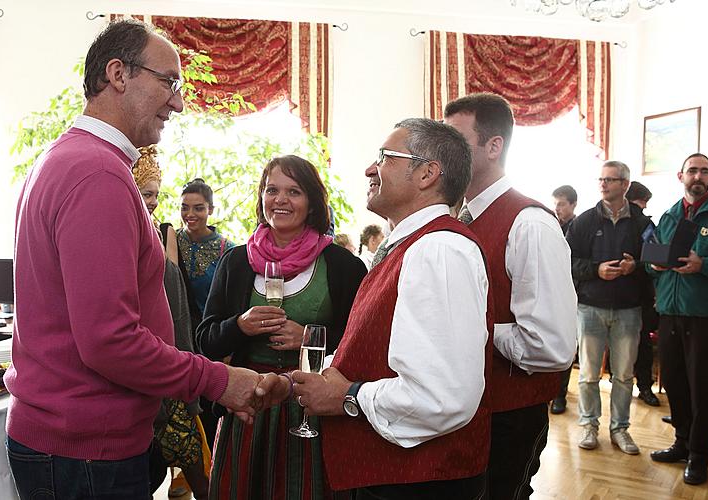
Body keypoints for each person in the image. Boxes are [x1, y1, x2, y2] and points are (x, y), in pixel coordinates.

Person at [4, 19, 279, 500]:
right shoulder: (97, 174)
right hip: (85, 448)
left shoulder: (69, 160)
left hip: (75, 440)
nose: (178, 100)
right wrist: (216, 379)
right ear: (118, 73)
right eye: (169, 81)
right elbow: (109, 340)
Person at [293, 118, 492, 500]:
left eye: (384, 157)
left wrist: (349, 396)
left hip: (420, 483)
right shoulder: (413, 246)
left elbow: (443, 396)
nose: (370, 168)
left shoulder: (440, 250)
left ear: (427, 174)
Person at [195, 154, 367, 499]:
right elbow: (205, 341)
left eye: (294, 191)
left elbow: (361, 342)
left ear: (312, 202)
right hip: (249, 405)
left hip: (311, 408)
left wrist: (309, 337)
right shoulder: (236, 261)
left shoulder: (341, 265)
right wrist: (239, 325)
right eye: (272, 190)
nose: (281, 200)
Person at [444, 93, 577, 500]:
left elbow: (552, 348)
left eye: (455, 142)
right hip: (463, 409)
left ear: (494, 145)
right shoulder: (456, 217)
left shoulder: (530, 223)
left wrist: (477, 330)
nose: (444, 155)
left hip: (509, 413)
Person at [131, 146, 211, 499]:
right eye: (145, 193)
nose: (151, 202)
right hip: (150, 373)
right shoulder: (137, 238)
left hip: (177, 362)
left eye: (155, 195)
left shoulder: (160, 236)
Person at [648, 153, 708, 485]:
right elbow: (650, 258)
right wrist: (652, 265)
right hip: (669, 312)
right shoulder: (668, 215)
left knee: (704, 389)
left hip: (706, 316)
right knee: (676, 384)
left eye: (704, 171)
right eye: (692, 170)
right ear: (680, 175)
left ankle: (700, 455)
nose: (698, 176)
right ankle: (681, 443)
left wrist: (704, 265)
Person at [566, 161, 651, 456]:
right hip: (590, 307)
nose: (603, 184)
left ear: (625, 185)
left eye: (611, 180)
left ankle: (620, 429)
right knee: (588, 374)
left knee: (624, 376)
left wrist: (634, 266)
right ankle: (589, 425)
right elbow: (568, 261)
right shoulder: (585, 221)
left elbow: (655, 263)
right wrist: (596, 269)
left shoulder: (642, 223)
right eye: (601, 179)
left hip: (629, 309)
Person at [176, 177, 233, 446]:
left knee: (209, 407)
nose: (190, 214)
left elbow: (231, 302)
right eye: (184, 207)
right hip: (176, 337)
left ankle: (210, 475)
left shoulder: (227, 250)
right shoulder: (169, 243)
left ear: (210, 209)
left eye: (198, 208)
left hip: (210, 341)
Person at [625, 181, 661, 408]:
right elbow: (655, 261)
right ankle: (645, 388)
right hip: (640, 294)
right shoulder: (647, 224)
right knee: (642, 346)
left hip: (625, 294)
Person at [550, 184, 578, 415]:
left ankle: (560, 394)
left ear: (572, 205)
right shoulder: (550, 225)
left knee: (565, 344)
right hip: (551, 293)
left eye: (561, 204)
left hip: (573, 294)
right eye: (555, 203)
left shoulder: (578, 227)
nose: (557, 208)